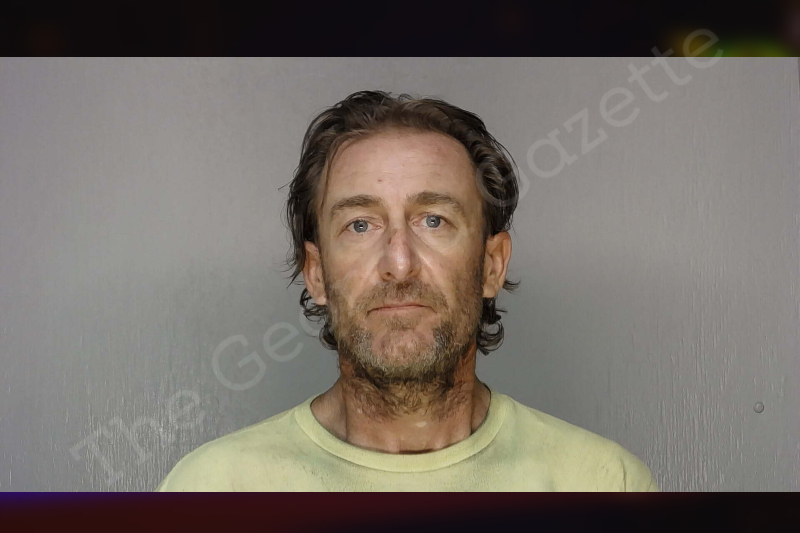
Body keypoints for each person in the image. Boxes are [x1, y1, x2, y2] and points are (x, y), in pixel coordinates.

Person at [157, 90, 659, 491]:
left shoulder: (602, 484)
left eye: (434, 220)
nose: (399, 265)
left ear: (491, 265)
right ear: (316, 272)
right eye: (360, 225)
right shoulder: (212, 492)